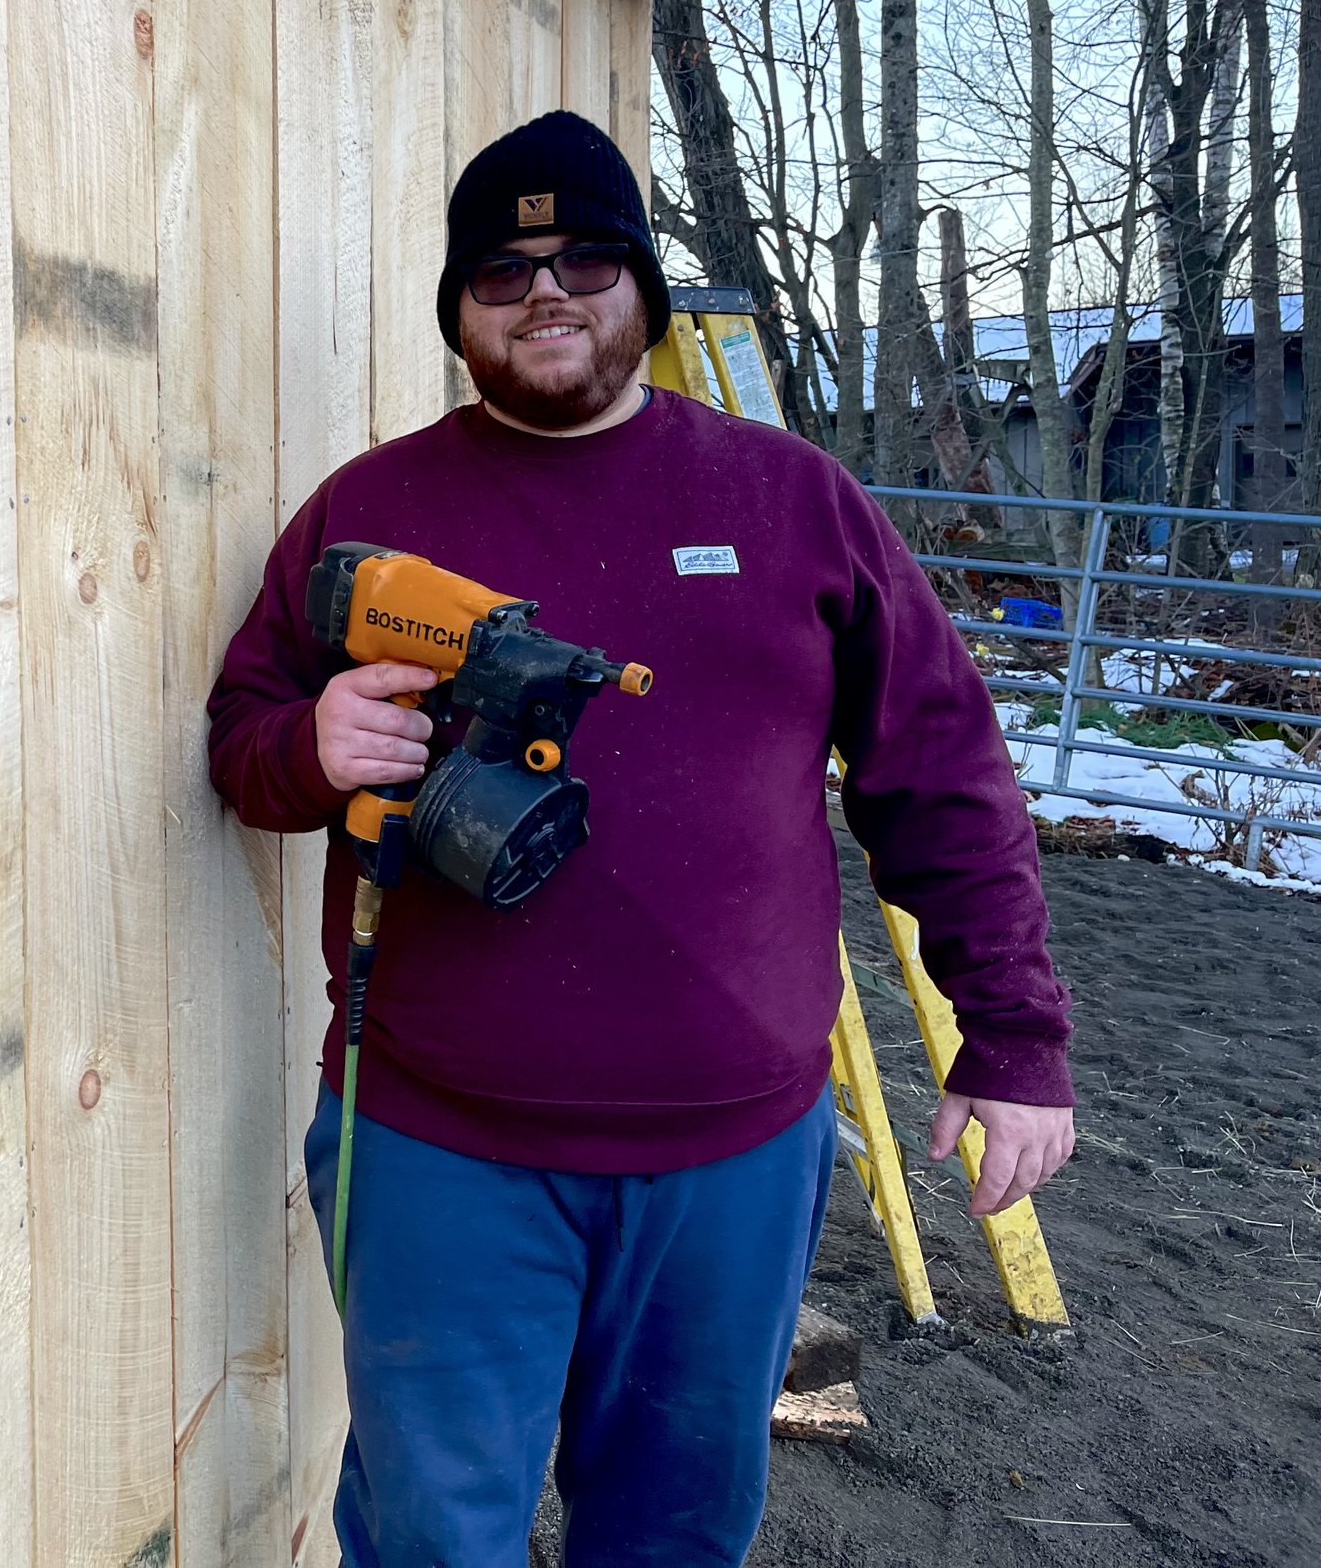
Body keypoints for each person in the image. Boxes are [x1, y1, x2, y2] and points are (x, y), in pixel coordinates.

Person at [205, 110, 1075, 1568]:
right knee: (430, 1534)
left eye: (585, 257)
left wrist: (1015, 1035)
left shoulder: (793, 500)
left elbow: (945, 777)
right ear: (459, 310)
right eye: (502, 270)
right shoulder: (369, 512)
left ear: (643, 289)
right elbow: (243, 737)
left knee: (674, 1531)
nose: (546, 291)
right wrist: (309, 746)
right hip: (435, 1147)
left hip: (735, 1158)